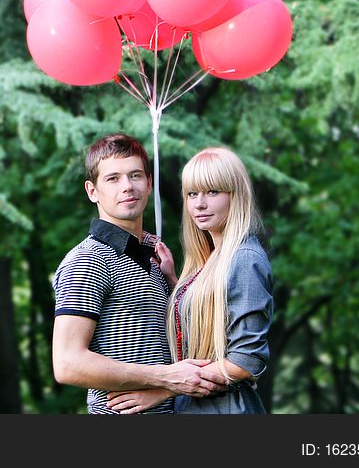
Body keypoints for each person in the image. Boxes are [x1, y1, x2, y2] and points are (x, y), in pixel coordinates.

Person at [52, 133, 228, 414]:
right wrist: (167, 377)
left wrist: (173, 282)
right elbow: (67, 364)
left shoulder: (153, 254)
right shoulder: (87, 260)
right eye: (113, 179)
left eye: (135, 175)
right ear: (92, 191)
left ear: (149, 183)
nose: (127, 186)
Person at [107, 146, 273, 414]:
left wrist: (164, 389)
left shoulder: (244, 258)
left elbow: (245, 360)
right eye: (192, 194)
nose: (199, 204)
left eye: (212, 192)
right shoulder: (214, 258)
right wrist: (174, 280)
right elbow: (206, 315)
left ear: (236, 195)